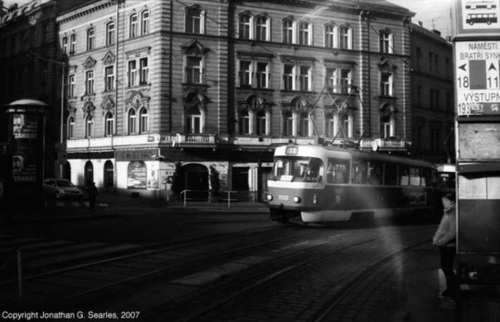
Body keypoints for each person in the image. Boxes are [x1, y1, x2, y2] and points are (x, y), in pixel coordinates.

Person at [432, 192, 457, 300]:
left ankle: (453, 291)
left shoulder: (453, 213)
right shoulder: (447, 212)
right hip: (445, 246)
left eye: (445, 201)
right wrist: (436, 239)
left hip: (449, 246)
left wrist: (441, 241)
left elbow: (452, 232)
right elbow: (442, 228)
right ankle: (450, 290)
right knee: (446, 268)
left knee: (448, 269)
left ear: (452, 201)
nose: (443, 203)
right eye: (443, 200)